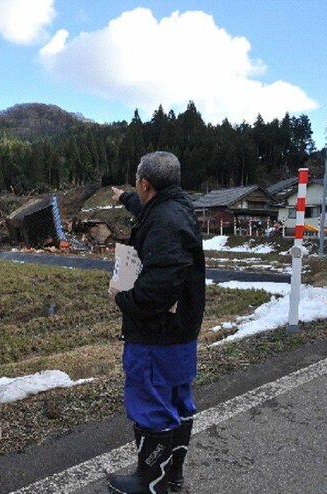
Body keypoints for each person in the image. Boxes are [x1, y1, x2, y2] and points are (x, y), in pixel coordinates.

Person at [107, 151, 206, 494]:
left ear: (145, 183)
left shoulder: (163, 223)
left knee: (151, 404)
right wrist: (124, 198)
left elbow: (158, 288)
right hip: (180, 332)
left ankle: (150, 483)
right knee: (178, 402)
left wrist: (121, 298)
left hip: (155, 336)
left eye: (137, 183)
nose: (136, 188)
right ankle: (171, 477)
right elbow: (146, 206)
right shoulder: (175, 208)